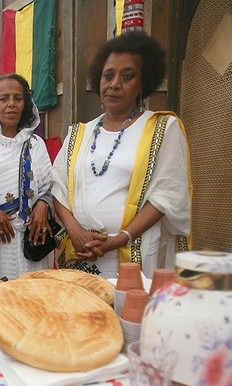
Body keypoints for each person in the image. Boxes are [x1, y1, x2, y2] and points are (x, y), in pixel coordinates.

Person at [52, 31, 192, 279]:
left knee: (126, 315)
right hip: (79, 254)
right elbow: (58, 188)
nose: (115, 83)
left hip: (133, 256)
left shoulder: (163, 128)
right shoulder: (79, 133)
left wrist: (120, 239)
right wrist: (75, 231)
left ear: (143, 83)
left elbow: (167, 195)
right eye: (108, 75)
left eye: (127, 76)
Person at [0, 73, 54, 280]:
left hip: (31, 238)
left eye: (17, 98)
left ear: (25, 104)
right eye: (4, 98)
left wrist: (43, 205)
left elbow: (50, 187)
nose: (11, 104)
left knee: (31, 300)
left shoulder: (36, 144)